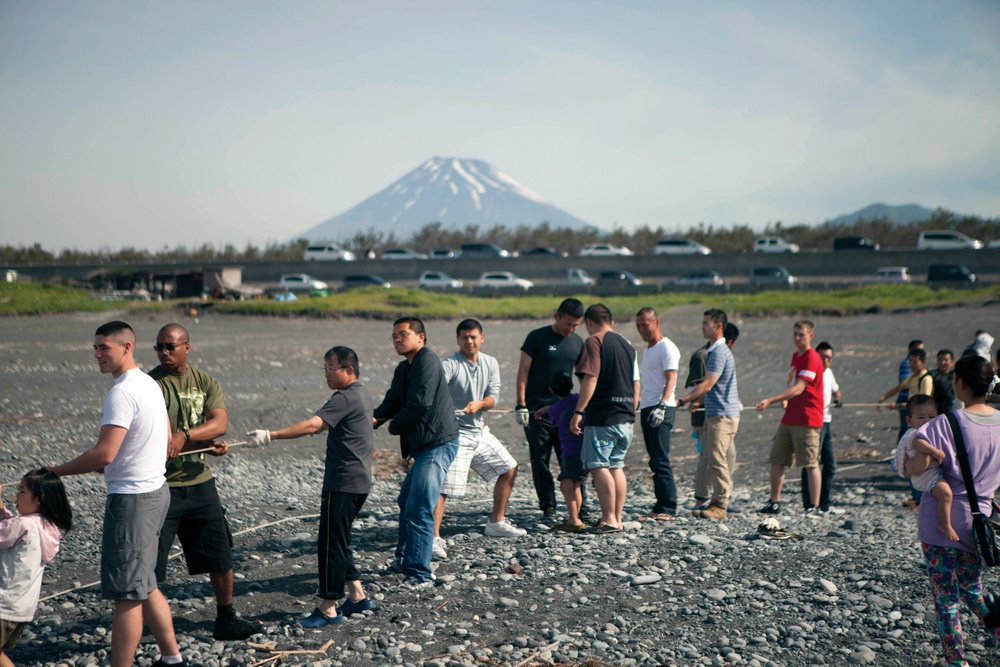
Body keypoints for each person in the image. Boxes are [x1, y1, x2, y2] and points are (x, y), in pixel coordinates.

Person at [48, 321, 184, 667]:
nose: (97, 355)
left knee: (126, 594)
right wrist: (118, 462)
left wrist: (55, 472)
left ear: (126, 347)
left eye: (103, 348)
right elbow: (162, 434)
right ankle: (172, 658)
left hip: (133, 501)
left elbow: (104, 453)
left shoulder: (122, 392)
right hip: (156, 491)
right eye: (94, 348)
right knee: (145, 582)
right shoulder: (149, 383)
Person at [245, 346, 375, 626]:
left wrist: (270, 435)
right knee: (339, 539)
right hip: (359, 481)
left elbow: (311, 426)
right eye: (324, 368)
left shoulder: (344, 397)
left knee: (330, 544)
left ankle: (328, 607)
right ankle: (358, 596)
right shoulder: (363, 393)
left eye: (331, 368)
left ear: (348, 370)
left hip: (342, 482)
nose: (326, 373)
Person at [147, 324, 257, 641]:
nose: (164, 353)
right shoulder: (152, 384)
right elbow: (154, 434)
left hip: (200, 482)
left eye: (170, 346)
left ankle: (226, 617)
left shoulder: (204, 381)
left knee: (220, 555)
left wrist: (189, 437)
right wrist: (189, 438)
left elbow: (219, 423)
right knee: (150, 565)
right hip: (161, 487)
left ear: (187, 347)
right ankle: (155, 629)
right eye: (159, 347)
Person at [909, 355, 1000, 666]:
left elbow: (915, 466)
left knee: (947, 599)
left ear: (959, 384)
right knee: (972, 589)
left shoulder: (943, 423)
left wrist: (909, 465)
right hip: (980, 522)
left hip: (940, 520)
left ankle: (955, 661)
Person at [373, 317, 459, 590]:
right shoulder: (404, 369)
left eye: (404, 334)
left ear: (420, 338)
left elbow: (421, 403)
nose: (398, 339)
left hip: (438, 444)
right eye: (394, 336)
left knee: (420, 506)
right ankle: (404, 559)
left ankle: (420, 573)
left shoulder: (428, 362)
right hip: (424, 448)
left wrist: (394, 426)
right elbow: (392, 402)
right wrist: (371, 418)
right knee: (406, 500)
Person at [434, 319, 525, 561]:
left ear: (482, 338)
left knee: (510, 468)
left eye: (473, 337)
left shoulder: (490, 362)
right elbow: (435, 387)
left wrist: (480, 404)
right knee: (443, 488)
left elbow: (493, 397)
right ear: (458, 340)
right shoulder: (450, 364)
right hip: (456, 434)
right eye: (464, 337)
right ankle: (433, 538)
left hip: (479, 431)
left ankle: (496, 522)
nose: (469, 341)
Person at [569, 304, 639, 534]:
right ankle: (616, 518)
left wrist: (578, 411)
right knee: (616, 466)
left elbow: (591, 378)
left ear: (589, 322)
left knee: (598, 466)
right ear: (611, 320)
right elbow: (636, 382)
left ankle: (608, 519)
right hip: (625, 417)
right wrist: (631, 411)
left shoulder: (594, 341)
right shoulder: (627, 344)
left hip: (604, 417)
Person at [515, 298, 585, 518]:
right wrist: (521, 404)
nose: (571, 329)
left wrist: (582, 408)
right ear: (557, 317)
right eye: (568, 324)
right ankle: (548, 505)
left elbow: (583, 377)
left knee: (571, 456)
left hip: (565, 410)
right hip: (537, 409)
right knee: (540, 458)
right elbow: (523, 372)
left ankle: (578, 507)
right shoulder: (536, 337)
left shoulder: (578, 342)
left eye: (576, 325)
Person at [0, 469, 72, 667]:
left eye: (22, 492)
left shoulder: (23, 524)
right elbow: (9, 528)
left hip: (2, 605)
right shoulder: (47, 526)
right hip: (21, 609)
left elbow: (9, 529)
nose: (16, 496)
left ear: (39, 499)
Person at [756, 320, 824, 516]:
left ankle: (814, 506)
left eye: (801, 335)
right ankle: (774, 502)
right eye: (795, 334)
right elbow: (793, 384)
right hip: (791, 416)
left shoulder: (812, 357)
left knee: (810, 463)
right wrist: (785, 399)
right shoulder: (796, 356)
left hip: (808, 418)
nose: (797, 338)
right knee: (777, 458)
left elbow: (800, 387)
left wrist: (771, 399)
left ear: (810, 336)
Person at [678, 310, 740, 521]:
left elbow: (708, 383)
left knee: (717, 458)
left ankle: (720, 505)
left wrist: (682, 400)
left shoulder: (719, 352)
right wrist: (699, 401)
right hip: (720, 412)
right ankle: (715, 502)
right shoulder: (716, 351)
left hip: (722, 415)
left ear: (718, 326)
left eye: (706, 323)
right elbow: (717, 386)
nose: (702, 326)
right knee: (716, 457)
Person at [633, 307, 680, 520]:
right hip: (648, 406)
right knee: (654, 459)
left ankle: (668, 507)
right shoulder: (648, 349)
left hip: (662, 407)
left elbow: (671, 378)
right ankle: (660, 504)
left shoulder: (666, 347)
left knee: (661, 459)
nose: (642, 329)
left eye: (646, 324)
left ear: (656, 322)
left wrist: (662, 405)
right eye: (639, 325)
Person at [893, 395, 955, 540]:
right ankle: (945, 524)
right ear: (909, 420)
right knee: (946, 494)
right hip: (925, 475)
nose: (927, 421)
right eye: (921, 417)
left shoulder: (934, 432)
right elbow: (920, 444)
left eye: (931, 416)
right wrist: (935, 452)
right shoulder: (913, 434)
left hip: (931, 471)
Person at [800, 341, 842, 513]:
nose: (826, 361)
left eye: (829, 358)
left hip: (826, 421)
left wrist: (838, 398)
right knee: (810, 463)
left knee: (830, 465)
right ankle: (809, 503)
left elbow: (836, 390)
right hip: (812, 422)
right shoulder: (811, 372)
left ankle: (825, 503)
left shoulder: (829, 373)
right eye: (823, 357)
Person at [547, 372, 587, 532]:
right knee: (576, 485)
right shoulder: (579, 399)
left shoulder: (555, 409)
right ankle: (575, 517)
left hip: (570, 451)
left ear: (551, 390)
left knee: (565, 484)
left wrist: (548, 409)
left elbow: (554, 423)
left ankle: (574, 520)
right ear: (571, 386)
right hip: (585, 449)